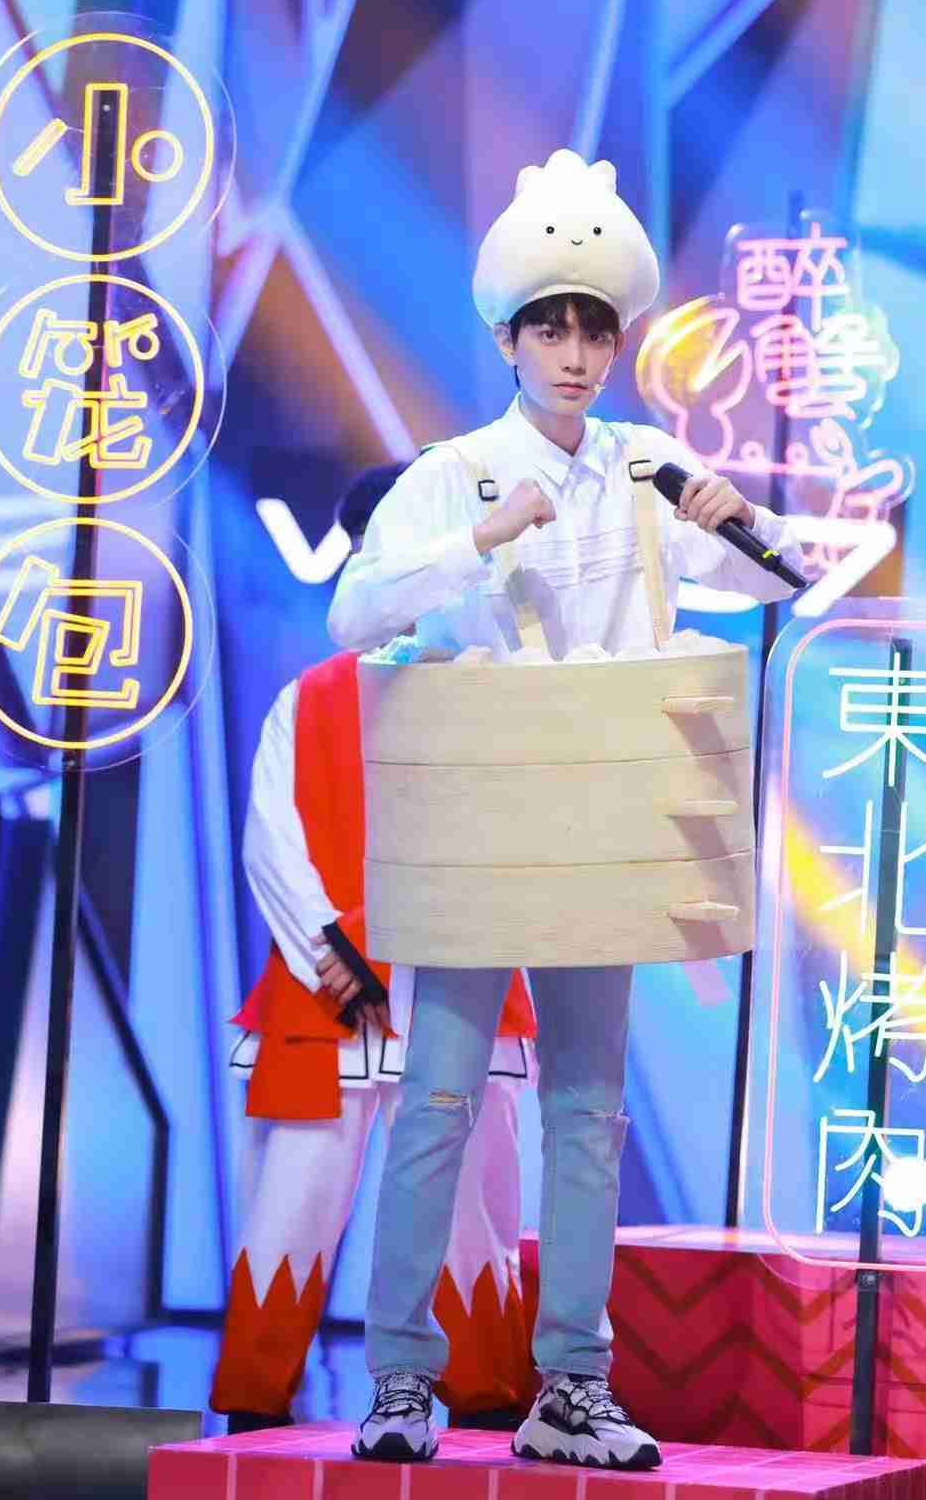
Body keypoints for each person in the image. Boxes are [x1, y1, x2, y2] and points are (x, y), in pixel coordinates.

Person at [328, 149, 806, 1470]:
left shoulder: (645, 465)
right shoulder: (455, 471)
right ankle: (401, 1378)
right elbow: (352, 611)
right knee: (438, 1097)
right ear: (507, 336)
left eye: (598, 330)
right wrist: (477, 543)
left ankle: (573, 1386)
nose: (579, 354)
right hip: (483, 821)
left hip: (603, 819)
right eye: (553, 327)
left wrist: (743, 515)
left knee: (588, 1110)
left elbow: (781, 580)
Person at [210, 464, 538, 1434]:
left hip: (460, 983)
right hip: (333, 998)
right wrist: (334, 956)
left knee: (473, 1207)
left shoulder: (498, 696)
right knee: (295, 1200)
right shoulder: (310, 698)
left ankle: (485, 1391)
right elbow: (271, 839)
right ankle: (257, 1396)